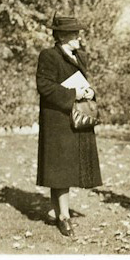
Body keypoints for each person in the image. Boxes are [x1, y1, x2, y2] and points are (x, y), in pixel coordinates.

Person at [36, 14, 102, 237]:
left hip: (75, 118)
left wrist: (90, 92)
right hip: (57, 120)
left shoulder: (80, 57)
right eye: (75, 33)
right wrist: (74, 93)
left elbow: (86, 83)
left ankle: (59, 211)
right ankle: (63, 216)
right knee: (60, 170)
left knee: (66, 168)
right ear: (62, 36)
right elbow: (44, 87)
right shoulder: (48, 56)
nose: (79, 37)